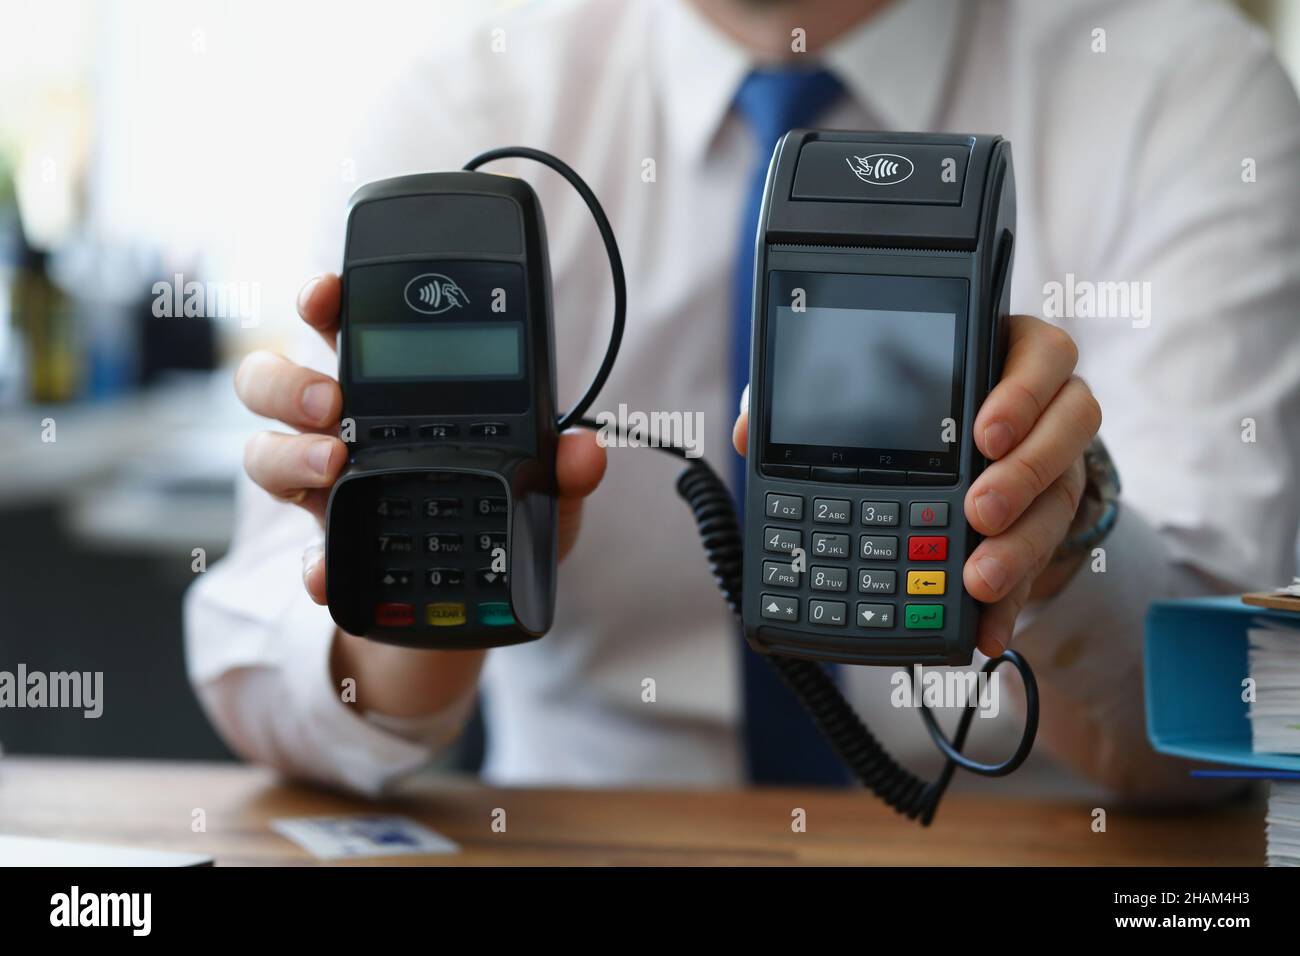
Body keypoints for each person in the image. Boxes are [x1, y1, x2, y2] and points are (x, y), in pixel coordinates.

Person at [185, 0, 1300, 799]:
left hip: (1016, 838)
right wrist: (437, 597)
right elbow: (250, 673)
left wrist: (1070, 537)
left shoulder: (1183, 83)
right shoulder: (463, 105)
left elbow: (1238, 720)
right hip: (589, 834)